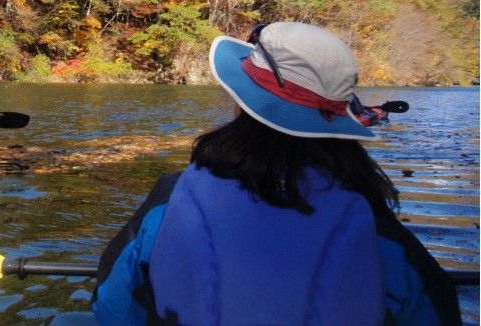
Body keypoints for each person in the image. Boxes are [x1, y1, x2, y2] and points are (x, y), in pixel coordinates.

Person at [92, 22, 460, 325]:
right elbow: (437, 311)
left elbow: (111, 305)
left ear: (241, 102)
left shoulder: (172, 196)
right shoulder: (374, 225)